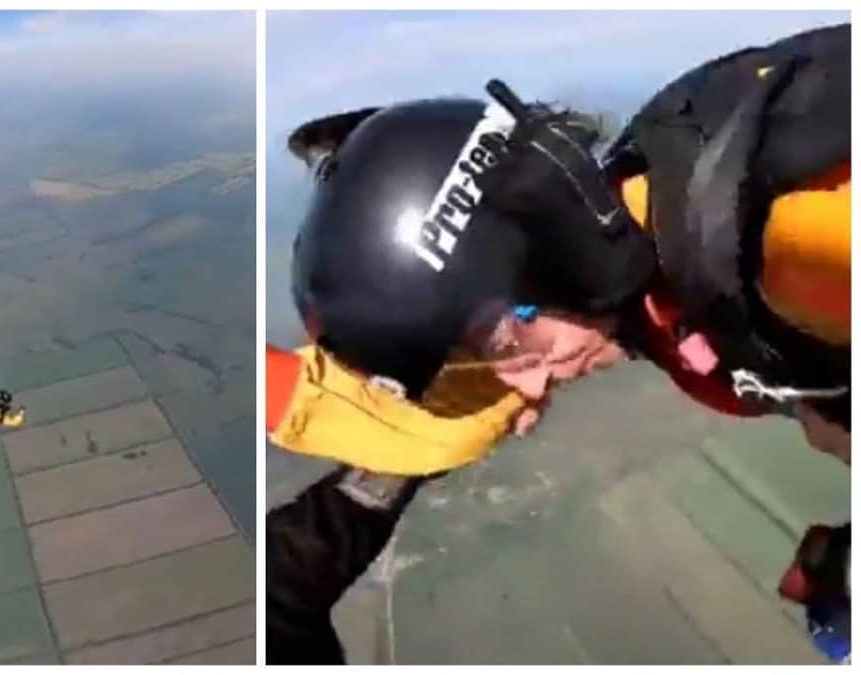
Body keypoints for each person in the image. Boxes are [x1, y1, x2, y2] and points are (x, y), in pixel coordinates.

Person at [266, 23, 849, 663]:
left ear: (545, 244)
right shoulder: (634, 253)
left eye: (500, 341)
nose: (529, 389)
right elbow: (389, 413)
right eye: (484, 359)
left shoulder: (802, 242)